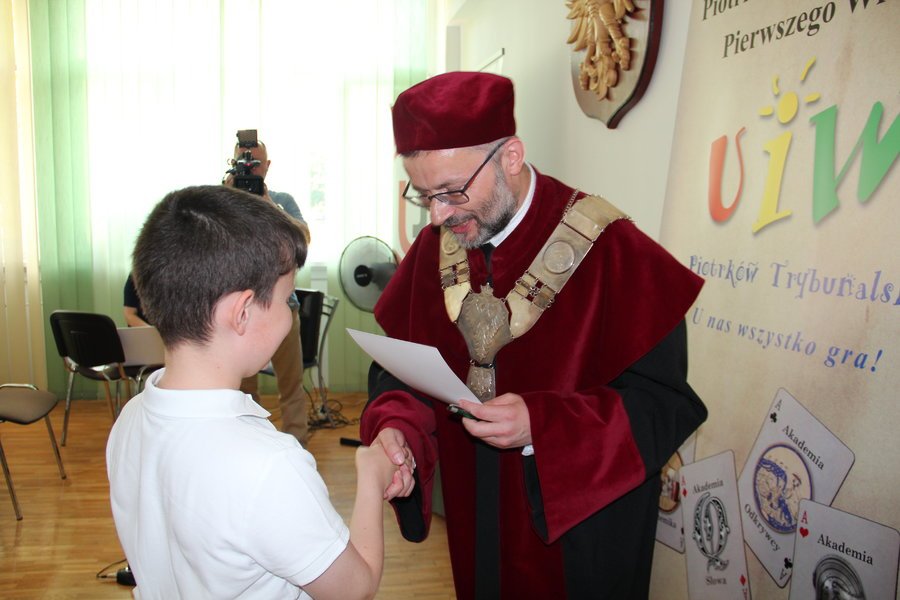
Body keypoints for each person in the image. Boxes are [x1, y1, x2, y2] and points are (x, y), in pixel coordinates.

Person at [360, 71, 708, 599]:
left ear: (511, 157)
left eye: (452, 191)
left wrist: (541, 427)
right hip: (476, 525)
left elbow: (663, 407)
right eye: (424, 195)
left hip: (579, 543)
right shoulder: (441, 244)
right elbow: (400, 371)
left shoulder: (613, 250)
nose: (437, 216)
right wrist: (395, 428)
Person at [107, 185, 401, 599]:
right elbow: (356, 588)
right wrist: (371, 477)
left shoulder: (131, 419)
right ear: (242, 312)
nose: (289, 313)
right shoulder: (268, 466)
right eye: (287, 299)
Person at [224, 138, 312, 445]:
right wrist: (225, 197)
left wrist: (265, 203)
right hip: (241, 310)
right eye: (243, 163)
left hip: (283, 305)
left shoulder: (281, 200)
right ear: (232, 164)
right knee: (243, 384)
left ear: (268, 166)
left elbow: (302, 237)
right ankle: (252, 442)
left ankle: (296, 446)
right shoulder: (224, 201)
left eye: (256, 163)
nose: (250, 168)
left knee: (292, 384)